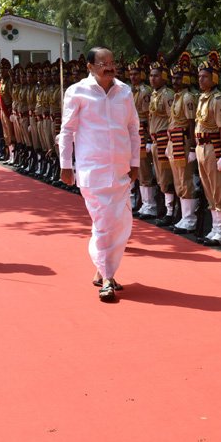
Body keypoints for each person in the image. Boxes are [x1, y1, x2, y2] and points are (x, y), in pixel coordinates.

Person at [59, 47, 140, 302]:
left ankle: (101, 269)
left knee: (122, 225)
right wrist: (65, 165)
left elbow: (133, 128)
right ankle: (107, 278)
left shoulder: (124, 92)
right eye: (103, 63)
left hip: (120, 170)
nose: (109, 66)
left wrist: (135, 162)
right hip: (92, 170)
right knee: (105, 224)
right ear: (90, 67)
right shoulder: (77, 92)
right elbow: (67, 130)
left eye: (112, 62)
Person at [194, 51, 221, 246]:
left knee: (218, 189)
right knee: (208, 189)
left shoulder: (218, 99)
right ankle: (216, 227)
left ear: (214, 78)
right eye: (199, 76)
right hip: (201, 146)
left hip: (213, 147)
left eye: (205, 77)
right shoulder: (203, 98)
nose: (201, 80)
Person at [167, 53, 199, 234]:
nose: (175, 81)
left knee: (185, 179)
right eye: (173, 78)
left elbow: (191, 123)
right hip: (174, 140)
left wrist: (192, 147)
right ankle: (184, 216)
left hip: (183, 141)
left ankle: (190, 218)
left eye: (178, 78)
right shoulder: (177, 96)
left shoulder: (187, 97)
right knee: (178, 180)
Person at [147, 59, 176, 225]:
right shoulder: (154, 94)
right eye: (151, 75)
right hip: (155, 140)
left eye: (156, 76)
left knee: (166, 177)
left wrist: (170, 142)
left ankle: (170, 212)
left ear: (164, 77)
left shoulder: (167, 95)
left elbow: (172, 119)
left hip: (164, 139)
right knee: (159, 176)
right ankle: (164, 208)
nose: (152, 78)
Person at [128, 57, 156, 218]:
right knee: (132, 168)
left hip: (141, 133)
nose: (133, 77)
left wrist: (148, 138)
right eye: (131, 74)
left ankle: (149, 204)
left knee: (144, 169)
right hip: (130, 133)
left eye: (136, 74)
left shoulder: (145, 91)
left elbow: (147, 117)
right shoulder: (130, 90)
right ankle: (136, 200)